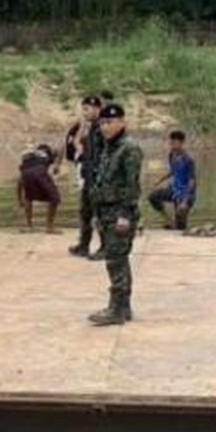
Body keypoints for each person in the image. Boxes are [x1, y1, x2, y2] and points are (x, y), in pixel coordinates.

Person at [88, 103, 142, 326]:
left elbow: (132, 185)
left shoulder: (128, 148)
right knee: (117, 259)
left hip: (120, 211)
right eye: (102, 123)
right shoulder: (108, 147)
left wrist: (125, 215)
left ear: (122, 122)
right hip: (105, 211)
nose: (105, 127)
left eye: (110, 122)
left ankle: (116, 308)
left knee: (115, 260)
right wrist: (96, 214)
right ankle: (123, 306)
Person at [64, 94, 105, 257]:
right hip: (88, 175)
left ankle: (105, 246)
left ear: (97, 109)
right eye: (83, 110)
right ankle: (83, 245)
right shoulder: (92, 128)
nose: (85, 113)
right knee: (85, 212)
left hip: (98, 177)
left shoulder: (102, 128)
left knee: (100, 214)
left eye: (87, 109)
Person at [147, 129, 197, 230]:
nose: (173, 146)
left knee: (180, 224)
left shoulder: (188, 159)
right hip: (174, 190)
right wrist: (159, 180)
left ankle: (179, 225)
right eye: (171, 143)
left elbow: (192, 181)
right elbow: (173, 170)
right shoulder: (172, 155)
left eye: (175, 143)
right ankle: (168, 219)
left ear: (182, 143)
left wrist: (185, 200)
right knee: (153, 196)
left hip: (185, 193)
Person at [16, 143, 61, 232]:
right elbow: (59, 153)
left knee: (29, 197)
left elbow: (20, 182)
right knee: (55, 198)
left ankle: (29, 226)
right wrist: (57, 164)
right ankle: (49, 226)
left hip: (26, 175)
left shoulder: (28, 158)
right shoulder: (46, 157)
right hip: (39, 172)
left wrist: (19, 199)